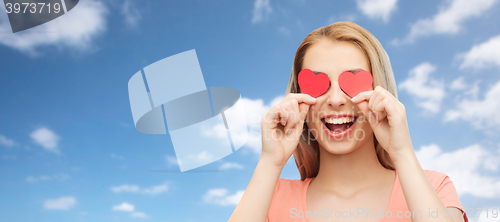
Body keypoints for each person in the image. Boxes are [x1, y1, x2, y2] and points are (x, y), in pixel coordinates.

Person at [228, 21, 468, 222]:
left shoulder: (434, 188)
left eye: (353, 82)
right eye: (318, 85)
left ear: (380, 93)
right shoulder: (270, 198)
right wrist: (270, 162)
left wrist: (402, 152)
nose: (335, 99)